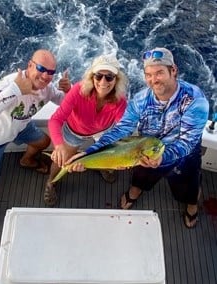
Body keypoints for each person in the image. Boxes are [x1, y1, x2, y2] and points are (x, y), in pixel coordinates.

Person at [68, 47, 209, 229]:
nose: (153, 80)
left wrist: (162, 158)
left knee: (188, 188)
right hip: (144, 151)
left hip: (183, 157)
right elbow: (122, 129)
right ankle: (135, 192)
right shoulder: (141, 99)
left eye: (159, 73)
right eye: (148, 74)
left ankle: (191, 205)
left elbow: (187, 142)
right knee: (140, 179)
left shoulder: (194, 100)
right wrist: (89, 152)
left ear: (173, 70)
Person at [45, 54, 128, 206]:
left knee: (110, 159)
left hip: (104, 133)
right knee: (62, 160)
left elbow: (122, 129)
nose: (103, 82)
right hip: (74, 131)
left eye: (109, 77)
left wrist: (119, 156)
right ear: (92, 77)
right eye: (99, 76)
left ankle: (106, 168)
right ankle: (51, 182)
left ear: (117, 79)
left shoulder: (120, 100)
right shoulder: (78, 90)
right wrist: (58, 146)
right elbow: (55, 120)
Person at [0, 49, 71, 182]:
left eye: (51, 72)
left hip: (21, 126)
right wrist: (16, 91)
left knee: (43, 142)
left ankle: (26, 160)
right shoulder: (9, 84)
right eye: (41, 68)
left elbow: (62, 101)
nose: (45, 76)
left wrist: (68, 91)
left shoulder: (47, 89)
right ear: (30, 65)